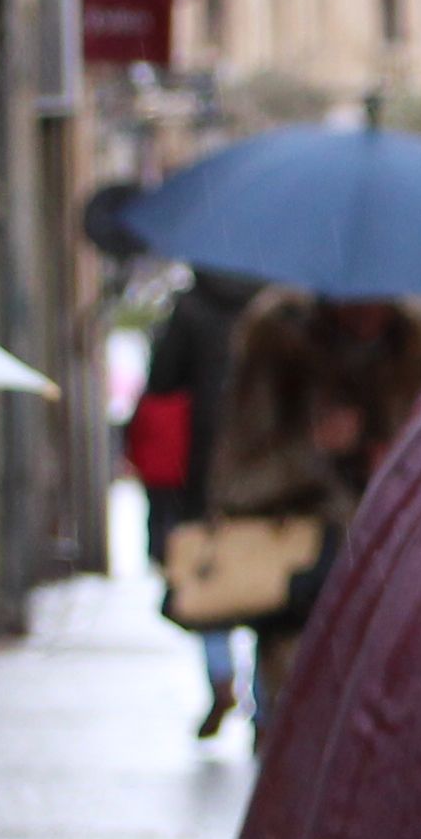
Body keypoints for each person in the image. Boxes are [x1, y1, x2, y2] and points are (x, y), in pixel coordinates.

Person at [212, 291, 421, 727]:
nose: (367, 309)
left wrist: (400, 463)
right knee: (302, 746)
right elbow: (234, 487)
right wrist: (312, 450)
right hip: (303, 602)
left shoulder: (413, 363)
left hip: (395, 598)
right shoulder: (279, 357)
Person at [133, 266, 260, 737]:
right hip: (261, 463)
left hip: (202, 464)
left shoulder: (191, 307)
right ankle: (264, 706)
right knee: (270, 582)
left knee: (209, 575)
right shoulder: (275, 303)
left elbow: (162, 383)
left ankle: (221, 677)